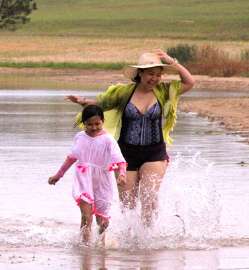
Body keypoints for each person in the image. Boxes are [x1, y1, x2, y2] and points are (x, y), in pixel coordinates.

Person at [66, 50, 195, 223]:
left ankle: (148, 242)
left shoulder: (164, 91)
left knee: (149, 198)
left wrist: (172, 61)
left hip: (154, 152)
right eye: (150, 73)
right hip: (125, 154)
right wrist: (81, 101)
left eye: (158, 75)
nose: (154, 79)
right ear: (139, 73)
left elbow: (189, 82)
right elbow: (102, 104)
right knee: (128, 205)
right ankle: (130, 244)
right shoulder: (124, 92)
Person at [49, 103, 123, 241]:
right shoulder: (80, 137)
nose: (94, 127)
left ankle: (102, 241)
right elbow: (71, 158)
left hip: (102, 180)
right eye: (89, 124)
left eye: (97, 123)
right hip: (83, 178)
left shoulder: (108, 140)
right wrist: (58, 175)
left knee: (102, 221)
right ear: (84, 123)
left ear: (103, 122)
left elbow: (119, 160)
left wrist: (122, 175)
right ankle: (85, 249)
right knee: (86, 215)